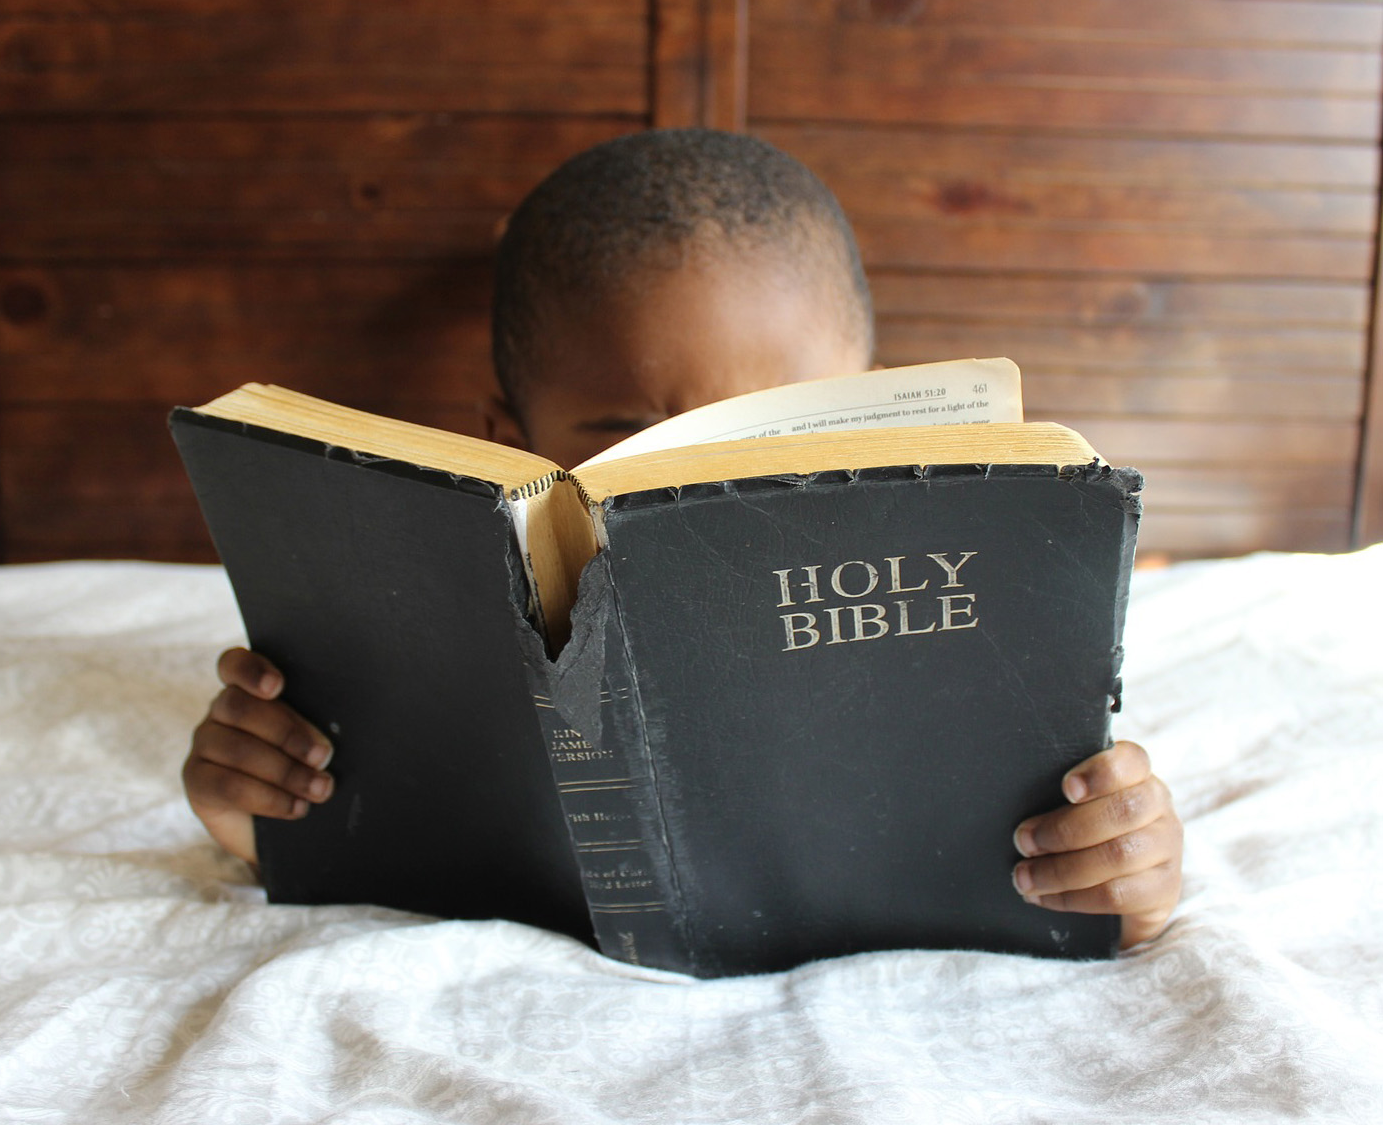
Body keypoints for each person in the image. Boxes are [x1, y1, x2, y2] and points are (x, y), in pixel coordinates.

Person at [183, 129, 1183, 951]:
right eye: (633, 440)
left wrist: (1121, 874)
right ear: (506, 440)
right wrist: (262, 813)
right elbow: (353, 823)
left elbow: (1090, 854)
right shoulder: (432, 630)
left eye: (783, 427)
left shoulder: (969, 609)